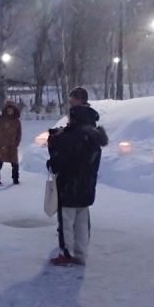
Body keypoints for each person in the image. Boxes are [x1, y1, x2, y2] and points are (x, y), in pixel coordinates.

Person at [47, 103, 108, 267]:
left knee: (66, 223)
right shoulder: (94, 140)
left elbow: (56, 163)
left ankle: (66, 254)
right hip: (87, 187)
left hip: (68, 187)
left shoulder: (69, 139)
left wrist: (53, 143)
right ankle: (81, 254)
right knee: (81, 223)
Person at [0, 100, 22, 185]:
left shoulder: (16, 121)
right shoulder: (0, 119)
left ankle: (15, 178)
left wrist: (16, 142)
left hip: (12, 144)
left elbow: (19, 133)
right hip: (1, 144)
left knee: (14, 162)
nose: (9, 111)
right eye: (8, 109)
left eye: (11, 109)